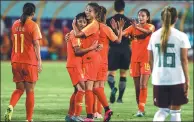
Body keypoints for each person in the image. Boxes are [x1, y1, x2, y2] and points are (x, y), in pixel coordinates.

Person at [147, 6, 190, 121]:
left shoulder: (154, 36)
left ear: (162, 19)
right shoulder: (181, 36)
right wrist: (187, 80)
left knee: (162, 110)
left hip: (159, 78)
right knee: (175, 112)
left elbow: (150, 60)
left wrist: (154, 74)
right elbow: (184, 60)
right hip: (176, 78)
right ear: (176, 19)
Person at [72, 3, 113, 122]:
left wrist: (73, 25)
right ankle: (107, 109)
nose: (87, 12)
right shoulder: (94, 25)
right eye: (86, 9)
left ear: (95, 14)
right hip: (95, 58)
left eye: (90, 11)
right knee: (95, 88)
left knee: (89, 88)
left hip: (91, 57)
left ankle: (90, 116)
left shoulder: (93, 25)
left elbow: (78, 34)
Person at [4, 3, 42, 122]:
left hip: (15, 61)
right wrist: (39, 61)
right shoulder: (33, 25)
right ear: (33, 13)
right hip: (29, 62)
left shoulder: (15, 24)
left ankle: (10, 106)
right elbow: (36, 44)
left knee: (19, 89)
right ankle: (28, 119)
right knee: (30, 90)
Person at [65, 12, 99, 122]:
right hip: (74, 64)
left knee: (77, 90)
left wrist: (97, 46)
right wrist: (92, 48)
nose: (82, 24)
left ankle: (70, 115)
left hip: (76, 65)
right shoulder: (74, 34)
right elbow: (77, 51)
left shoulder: (79, 34)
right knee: (82, 89)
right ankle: (76, 114)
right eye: (80, 21)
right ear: (75, 21)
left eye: (84, 22)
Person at [93, 5, 125, 119]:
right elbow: (118, 40)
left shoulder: (91, 27)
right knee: (99, 87)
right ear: (104, 15)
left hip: (89, 61)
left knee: (91, 87)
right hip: (102, 61)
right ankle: (98, 111)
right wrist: (119, 29)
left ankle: (92, 112)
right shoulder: (105, 28)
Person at [122, 9, 155, 116]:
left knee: (143, 84)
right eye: (139, 15)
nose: (140, 18)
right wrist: (118, 30)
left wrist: (136, 27)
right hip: (134, 61)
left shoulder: (150, 26)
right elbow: (122, 34)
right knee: (137, 88)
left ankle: (141, 109)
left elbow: (148, 33)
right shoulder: (132, 28)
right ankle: (140, 110)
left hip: (146, 60)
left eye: (143, 16)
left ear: (147, 18)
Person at [106, 0, 131, 103]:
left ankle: (112, 88)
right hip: (125, 49)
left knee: (111, 73)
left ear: (114, 7)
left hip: (114, 49)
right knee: (123, 74)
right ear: (123, 8)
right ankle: (120, 98)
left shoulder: (108, 21)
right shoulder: (129, 21)